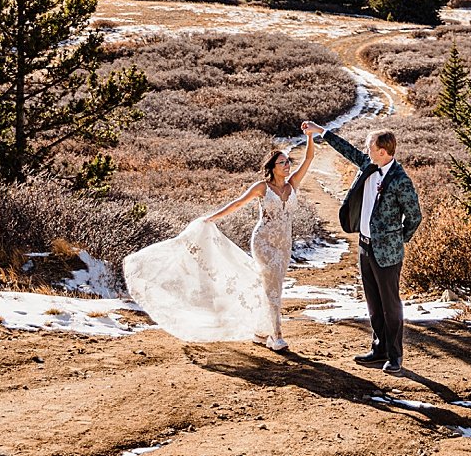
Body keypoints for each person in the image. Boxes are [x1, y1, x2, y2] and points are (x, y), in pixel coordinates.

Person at [121, 131, 316, 350]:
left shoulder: (292, 185)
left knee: (272, 287)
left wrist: (310, 136)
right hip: (264, 242)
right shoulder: (262, 187)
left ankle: (261, 332)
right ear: (272, 167)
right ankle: (276, 336)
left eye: (288, 162)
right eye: (282, 162)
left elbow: (309, 158)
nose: (287, 165)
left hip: (284, 245)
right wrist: (211, 218)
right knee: (272, 289)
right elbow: (237, 203)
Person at [301, 119, 421, 373]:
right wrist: (321, 131)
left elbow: (414, 216)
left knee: (390, 305)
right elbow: (347, 150)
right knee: (373, 303)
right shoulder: (368, 165)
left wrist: (398, 240)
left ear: (383, 152)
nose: (366, 150)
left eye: (370, 147)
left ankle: (395, 356)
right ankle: (378, 350)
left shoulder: (401, 180)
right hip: (365, 247)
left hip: (387, 253)